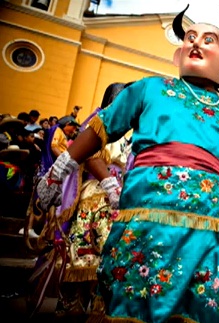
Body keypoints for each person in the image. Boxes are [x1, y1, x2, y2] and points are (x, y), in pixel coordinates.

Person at [35, 4, 219, 323]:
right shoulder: (150, 89)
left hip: (210, 235)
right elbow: (103, 127)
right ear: (177, 56)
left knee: (203, 313)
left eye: (208, 39)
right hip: (142, 228)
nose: (196, 42)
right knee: (130, 310)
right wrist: (60, 170)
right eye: (190, 37)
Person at [26, 83, 132, 321]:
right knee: (87, 259)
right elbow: (92, 155)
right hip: (95, 198)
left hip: (112, 200)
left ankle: (90, 310)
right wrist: (110, 184)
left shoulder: (122, 130)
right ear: (114, 101)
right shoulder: (99, 121)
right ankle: (72, 310)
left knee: (102, 262)